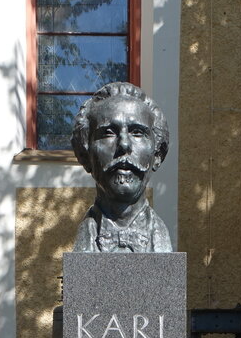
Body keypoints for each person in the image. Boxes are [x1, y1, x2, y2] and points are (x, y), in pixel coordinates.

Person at [71, 82, 172, 253]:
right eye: (108, 133)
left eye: (137, 133)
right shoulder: (85, 236)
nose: (124, 145)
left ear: (157, 155)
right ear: (84, 156)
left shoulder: (161, 238)